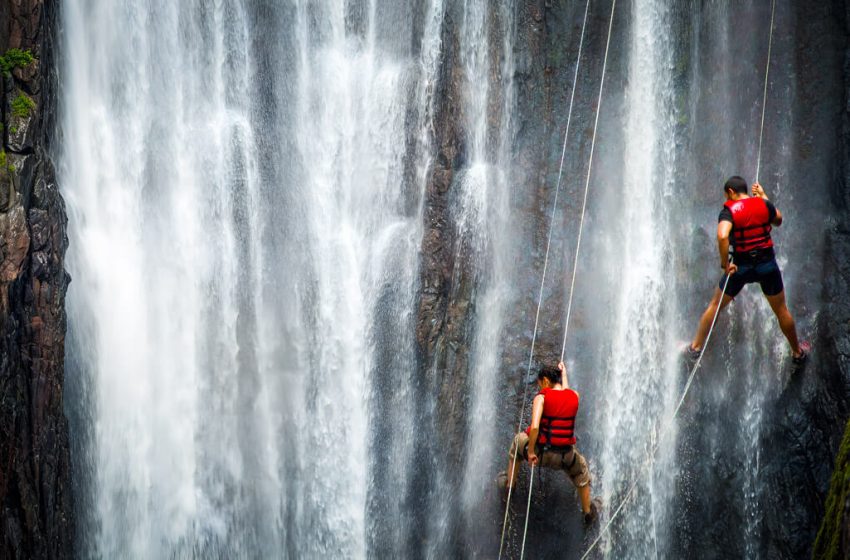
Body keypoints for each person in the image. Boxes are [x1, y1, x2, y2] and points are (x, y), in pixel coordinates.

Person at [685, 176, 807, 364]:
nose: (726, 200)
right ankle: (797, 352)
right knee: (782, 310)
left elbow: (722, 235)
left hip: (740, 268)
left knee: (715, 305)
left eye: (727, 196)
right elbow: (778, 220)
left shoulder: (729, 211)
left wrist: (725, 263)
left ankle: (695, 349)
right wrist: (764, 196)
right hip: (767, 266)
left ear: (732, 192)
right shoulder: (763, 204)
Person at [499, 361, 597, 526]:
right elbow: (566, 393)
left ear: (545, 381)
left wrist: (530, 452)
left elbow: (535, 426)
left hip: (541, 452)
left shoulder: (542, 397)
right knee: (582, 473)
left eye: (540, 384)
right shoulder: (574, 396)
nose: (540, 388)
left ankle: (510, 486)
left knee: (517, 443)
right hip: (566, 456)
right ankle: (588, 512)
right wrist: (564, 374)